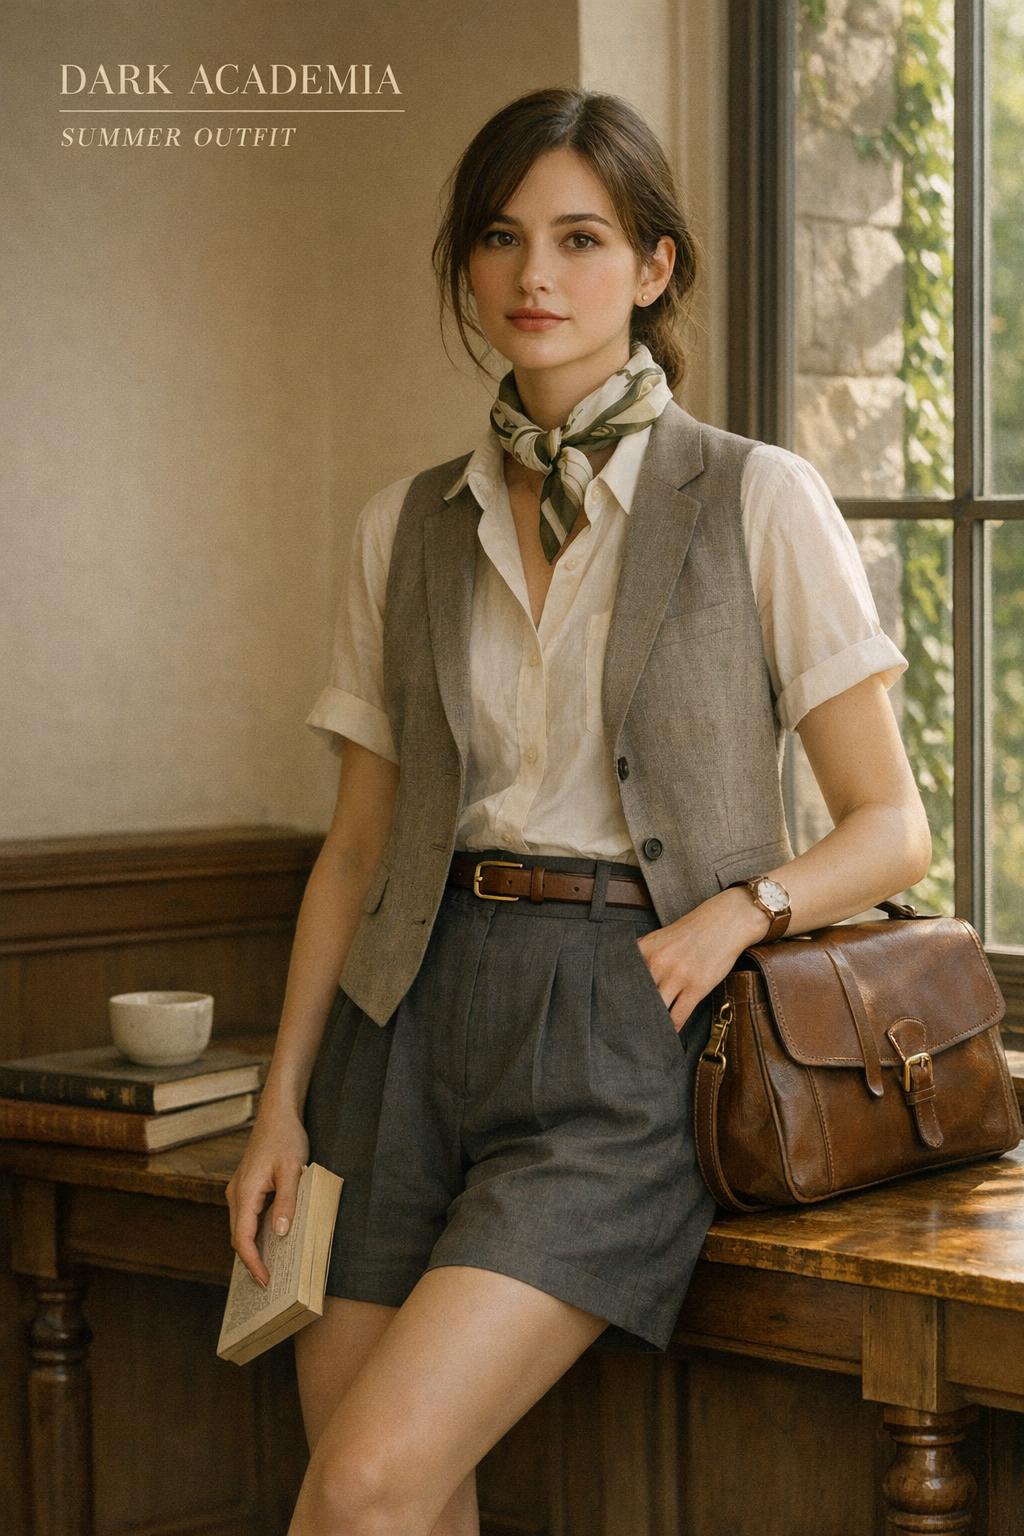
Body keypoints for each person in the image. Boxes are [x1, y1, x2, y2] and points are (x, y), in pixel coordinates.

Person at [225, 86, 931, 1536]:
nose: (536, 277)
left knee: (358, 1491)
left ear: (655, 268)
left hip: (623, 1032)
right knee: (396, 1497)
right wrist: (278, 1104)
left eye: (582, 238)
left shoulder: (756, 498)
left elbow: (892, 827)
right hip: (397, 1025)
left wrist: (745, 911)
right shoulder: (404, 524)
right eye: (501, 237)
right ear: (468, 269)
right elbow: (358, 847)